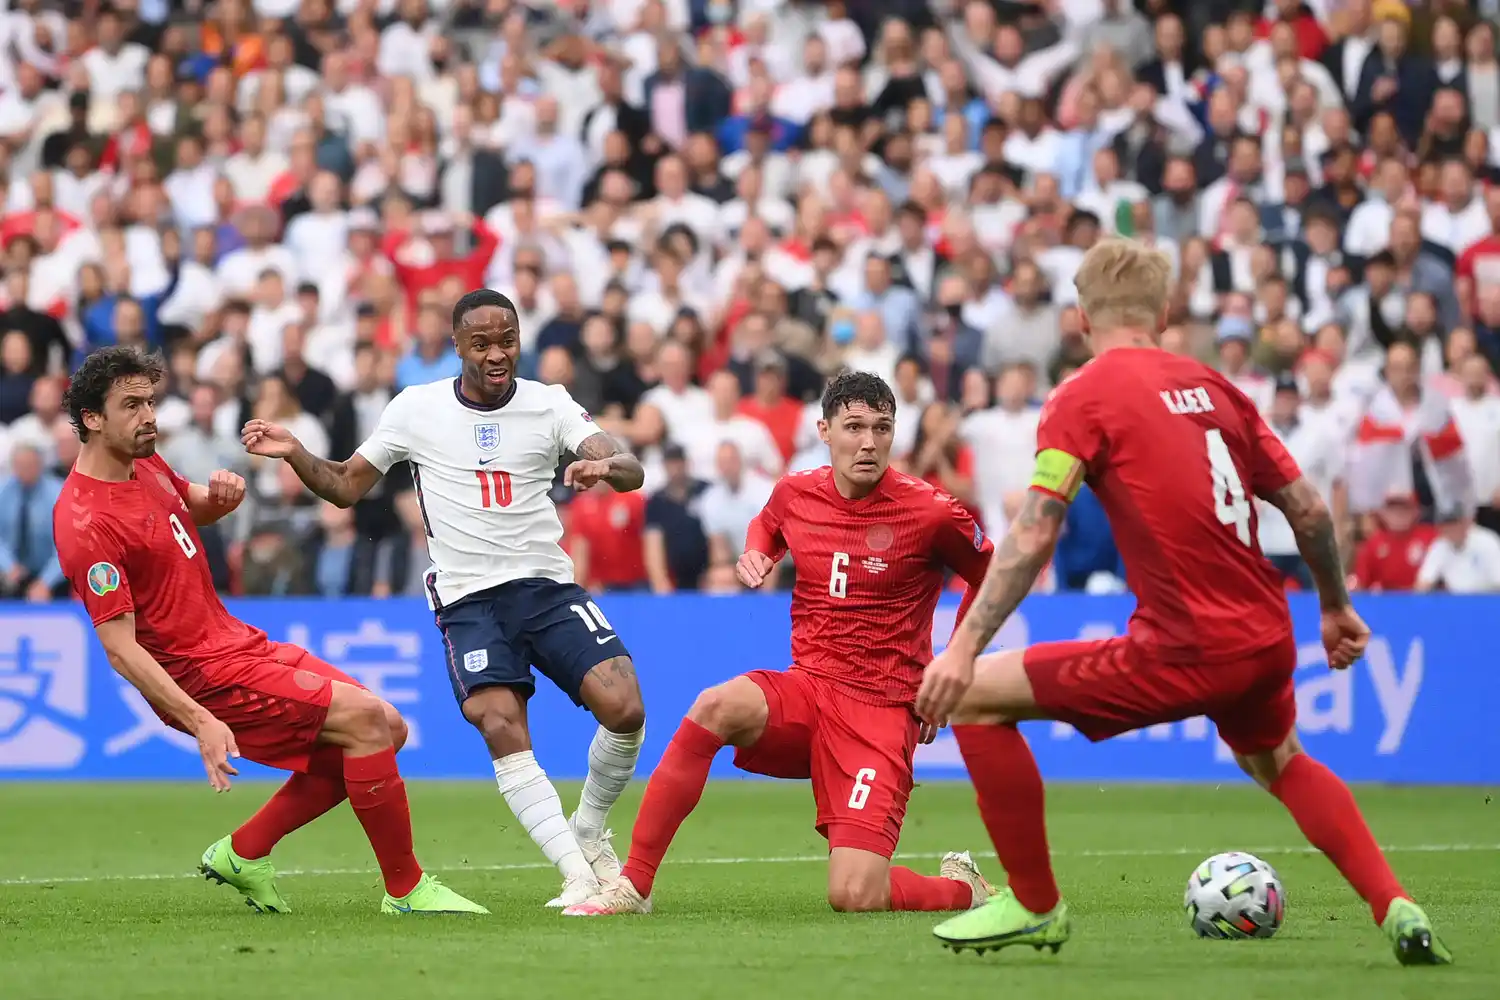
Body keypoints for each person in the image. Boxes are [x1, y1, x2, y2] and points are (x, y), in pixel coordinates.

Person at [915, 239, 1450, 966]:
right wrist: (1334, 605)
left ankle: (1034, 904)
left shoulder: (1081, 397)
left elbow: (1037, 531)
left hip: (1184, 645)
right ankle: (1397, 905)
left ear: (1081, 319)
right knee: (1278, 758)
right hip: (1266, 635)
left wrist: (961, 647)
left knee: (976, 694)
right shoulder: (1217, 388)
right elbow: (1309, 509)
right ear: (1164, 315)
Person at [242, 288, 648, 908]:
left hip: (546, 586)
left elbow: (629, 467)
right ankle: (577, 874)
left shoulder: (551, 404)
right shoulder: (416, 408)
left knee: (625, 708)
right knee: (498, 721)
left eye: (506, 341)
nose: (496, 354)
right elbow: (347, 486)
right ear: (457, 346)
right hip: (468, 600)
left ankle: (589, 829)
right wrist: (296, 453)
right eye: (481, 343)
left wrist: (606, 468)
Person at [52, 346, 484, 915]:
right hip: (200, 674)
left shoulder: (145, 462)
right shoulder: (84, 521)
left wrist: (220, 501)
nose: (149, 416)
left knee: (388, 728)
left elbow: (187, 510)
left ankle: (244, 852)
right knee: (363, 722)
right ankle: (406, 890)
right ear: (91, 418)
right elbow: (118, 647)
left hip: (232, 640)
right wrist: (199, 719)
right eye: (131, 406)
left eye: (151, 402)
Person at [563, 371, 996, 917]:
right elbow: (767, 524)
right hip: (810, 691)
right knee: (714, 705)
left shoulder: (929, 511)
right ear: (824, 430)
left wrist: (954, 661)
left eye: (881, 428)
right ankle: (634, 885)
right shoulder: (796, 491)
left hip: (881, 712)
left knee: (855, 895)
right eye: (854, 427)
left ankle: (966, 889)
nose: (868, 442)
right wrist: (757, 552)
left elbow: (991, 573)